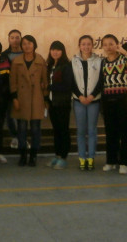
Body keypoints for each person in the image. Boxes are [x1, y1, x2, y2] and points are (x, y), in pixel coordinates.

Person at [101, 34, 127, 174]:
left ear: (117, 45)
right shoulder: (103, 62)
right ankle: (111, 161)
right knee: (111, 133)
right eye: (105, 44)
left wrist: (125, 52)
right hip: (108, 101)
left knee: (125, 132)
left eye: (111, 44)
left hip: (123, 100)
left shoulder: (124, 59)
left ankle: (124, 162)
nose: (108, 47)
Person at [10, 35, 48, 167]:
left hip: (37, 98)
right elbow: (12, 82)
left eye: (29, 43)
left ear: (34, 45)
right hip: (21, 99)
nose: (27, 46)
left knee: (36, 129)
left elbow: (45, 81)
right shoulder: (16, 61)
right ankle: (22, 155)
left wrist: (45, 100)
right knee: (21, 129)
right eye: (24, 44)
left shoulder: (40, 60)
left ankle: (33, 155)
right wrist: (14, 98)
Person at [71, 35, 102, 171]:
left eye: (88, 44)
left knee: (92, 130)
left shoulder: (99, 61)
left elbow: (101, 81)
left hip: (94, 100)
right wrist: (80, 96)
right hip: (79, 101)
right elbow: (71, 81)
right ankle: (82, 157)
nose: (86, 46)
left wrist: (91, 96)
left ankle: (91, 157)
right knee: (81, 131)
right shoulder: (73, 61)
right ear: (79, 46)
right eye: (83, 44)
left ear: (92, 45)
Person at [45, 41, 73, 170]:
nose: (55, 52)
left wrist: (50, 87)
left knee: (63, 130)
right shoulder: (50, 66)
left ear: (63, 52)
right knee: (56, 130)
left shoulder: (66, 66)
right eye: (53, 49)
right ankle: (57, 155)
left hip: (63, 103)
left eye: (58, 50)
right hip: (52, 103)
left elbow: (67, 85)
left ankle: (63, 157)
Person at [0, 29, 23, 149]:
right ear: (8, 39)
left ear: (21, 39)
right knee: (10, 115)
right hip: (8, 90)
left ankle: (22, 137)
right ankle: (14, 136)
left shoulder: (26, 53)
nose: (15, 40)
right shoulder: (4, 55)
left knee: (22, 115)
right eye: (12, 37)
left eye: (17, 37)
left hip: (24, 89)